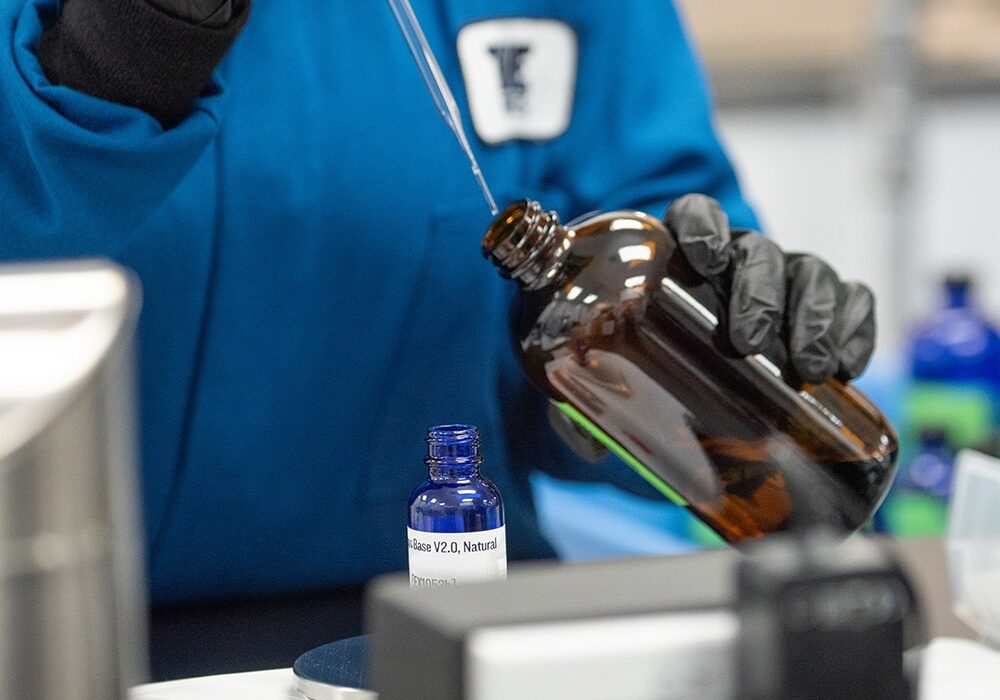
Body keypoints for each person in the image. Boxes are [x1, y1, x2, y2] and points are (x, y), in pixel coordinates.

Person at [1, 0, 876, 677]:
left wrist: (704, 337)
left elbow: (640, 218)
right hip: (50, 637)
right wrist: (115, 57)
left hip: (445, 627)